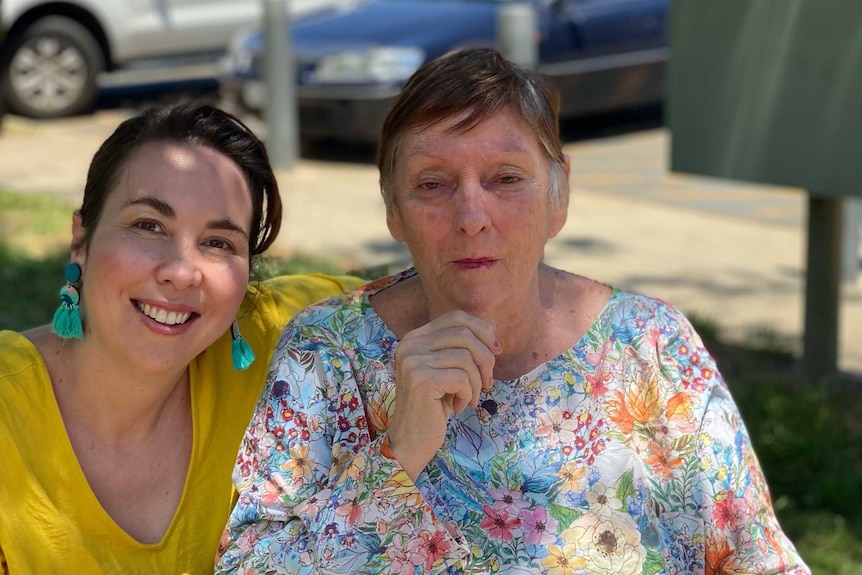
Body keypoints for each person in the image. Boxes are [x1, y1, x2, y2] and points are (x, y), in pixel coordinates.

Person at [216, 49, 810, 574]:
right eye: (432, 183)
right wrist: (399, 452)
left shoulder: (650, 346)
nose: (472, 215)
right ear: (392, 209)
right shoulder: (328, 354)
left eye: (505, 178)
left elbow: (756, 556)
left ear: (560, 195)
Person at [0, 103, 361, 574]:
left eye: (219, 243)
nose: (181, 272)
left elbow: (429, 286)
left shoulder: (291, 337)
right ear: (80, 241)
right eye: (148, 226)